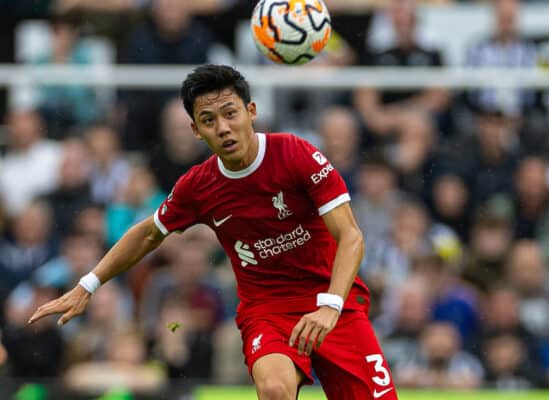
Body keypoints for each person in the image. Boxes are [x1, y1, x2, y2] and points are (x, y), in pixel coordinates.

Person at [28, 64, 397, 400]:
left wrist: (330, 307)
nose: (222, 127)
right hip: (267, 310)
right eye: (208, 120)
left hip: (332, 297)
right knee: (273, 389)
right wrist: (87, 285)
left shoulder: (296, 153)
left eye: (230, 113)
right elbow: (148, 234)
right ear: (196, 130)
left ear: (251, 112)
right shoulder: (199, 185)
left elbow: (351, 236)